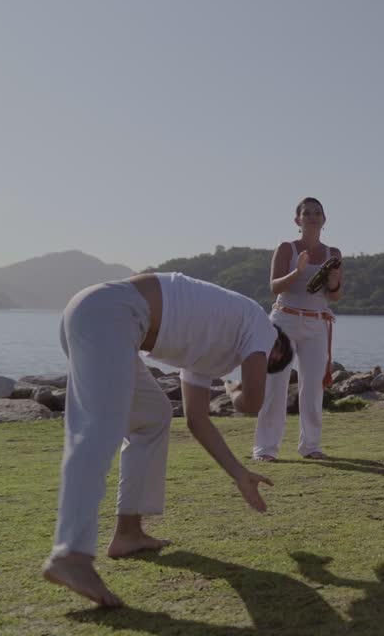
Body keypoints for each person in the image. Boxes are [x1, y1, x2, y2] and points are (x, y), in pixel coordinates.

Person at [42, 272, 294, 607]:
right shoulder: (262, 326)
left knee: (153, 416)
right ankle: (70, 553)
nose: (266, 362)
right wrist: (235, 392)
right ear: (276, 344)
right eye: (272, 358)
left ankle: (129, 532)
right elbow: (251, 403)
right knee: (98, 428)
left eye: (270, 366)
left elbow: (197, 420)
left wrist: (238, 473)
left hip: (102, 315)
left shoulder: (210, 350)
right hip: (112, 313)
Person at [252, 197, 343, 462]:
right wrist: (298, 271)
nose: (313, 217)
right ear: (297, 220)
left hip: (317, 323)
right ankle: (265, 449)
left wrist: (334, 282)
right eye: (307, 213)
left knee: (313, 387)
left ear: (324, 220)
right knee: (275, 386)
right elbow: (274, 287)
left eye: (317, 213)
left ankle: (311, 446)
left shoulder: (333, 253)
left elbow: (335, 296)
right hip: (284, 321)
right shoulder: (286, 249)